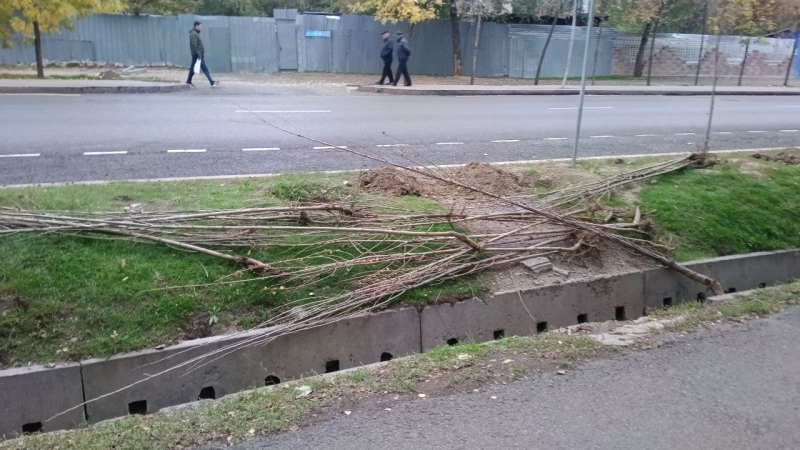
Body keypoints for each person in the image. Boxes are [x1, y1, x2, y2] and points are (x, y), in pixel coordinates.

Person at [187, 21, 219, 88]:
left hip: (197, 54)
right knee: (205, 68)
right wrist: (198, 53)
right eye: (200, 26)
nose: (201, 28)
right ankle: (212, 82)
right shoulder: (193, 34)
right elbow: (194, 44)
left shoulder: (195, 33)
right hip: (197, 54)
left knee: (193, 68)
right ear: (196, 26)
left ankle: (188, 81)